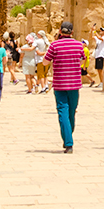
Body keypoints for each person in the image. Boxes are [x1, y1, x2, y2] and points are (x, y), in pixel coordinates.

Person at [43, 21, 85, 152]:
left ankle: (68, 142)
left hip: (60, 84)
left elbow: (45, 62)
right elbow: (82, 61)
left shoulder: (54, 45)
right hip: (74, 84)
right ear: (72, 32)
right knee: (71, 112)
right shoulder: (78, 45)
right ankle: (68, 137)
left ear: (60, 31)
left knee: (63, 112)